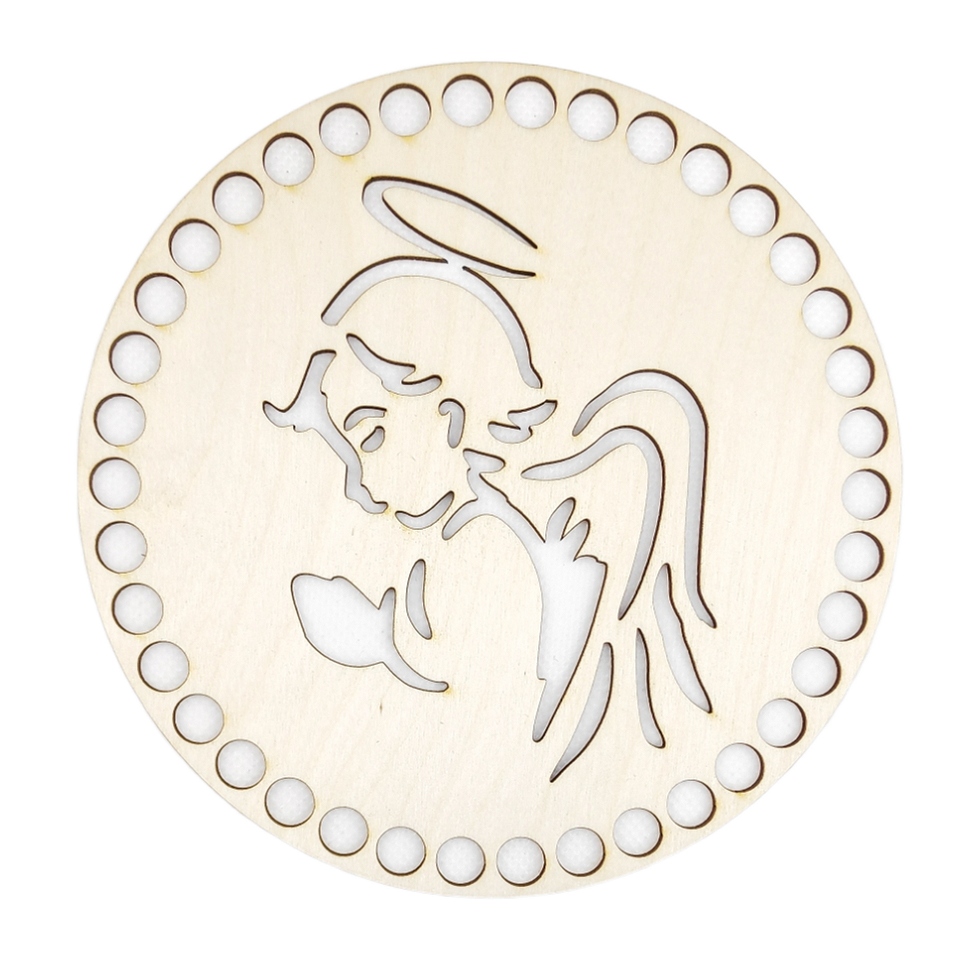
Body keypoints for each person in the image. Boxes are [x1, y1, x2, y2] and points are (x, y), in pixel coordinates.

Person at [265, 177, 715, 781]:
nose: (354, 478)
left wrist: (363, 631)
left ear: (450, 417)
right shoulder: (449, 538)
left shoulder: (481, 546)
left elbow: (467, 681)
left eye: (369, 436)